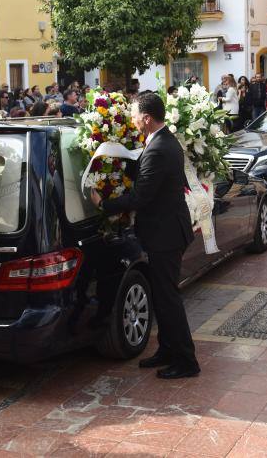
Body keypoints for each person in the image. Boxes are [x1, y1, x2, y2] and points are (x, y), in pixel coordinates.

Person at [90, 93, 198, 379]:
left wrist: (104, 204)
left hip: (166, 235)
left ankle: (186, 361)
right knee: (163, 298)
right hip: (167, 230)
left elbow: (141, 196)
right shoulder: (162, 141)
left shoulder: (159, 149)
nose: (133, 120)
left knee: (168, 298)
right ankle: (166, 350)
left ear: (147, 119)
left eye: (136, 115)